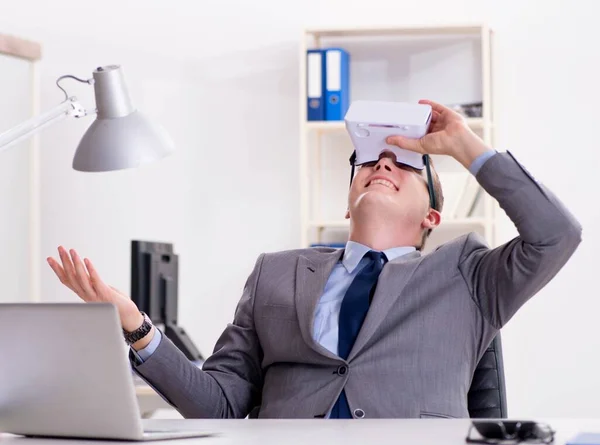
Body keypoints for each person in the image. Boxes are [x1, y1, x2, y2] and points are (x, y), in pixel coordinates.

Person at [48, 100, 581, 419]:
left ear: (432, 219)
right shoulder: (276, 273)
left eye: (408, 165)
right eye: (371, 159)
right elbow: (220, 405)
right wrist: (134, 325)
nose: (384, 163)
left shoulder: (468, 273)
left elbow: (557, 234)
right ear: (348, 198)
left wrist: (466, 147)